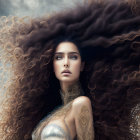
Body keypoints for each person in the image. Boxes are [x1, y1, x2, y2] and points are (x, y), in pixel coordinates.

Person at [0, 0, 140, 140]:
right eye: (59, 57)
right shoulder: (54, 112)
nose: (66, 63)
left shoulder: (81, 104)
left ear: (82, 65)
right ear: (51, 65)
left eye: (73, 57)